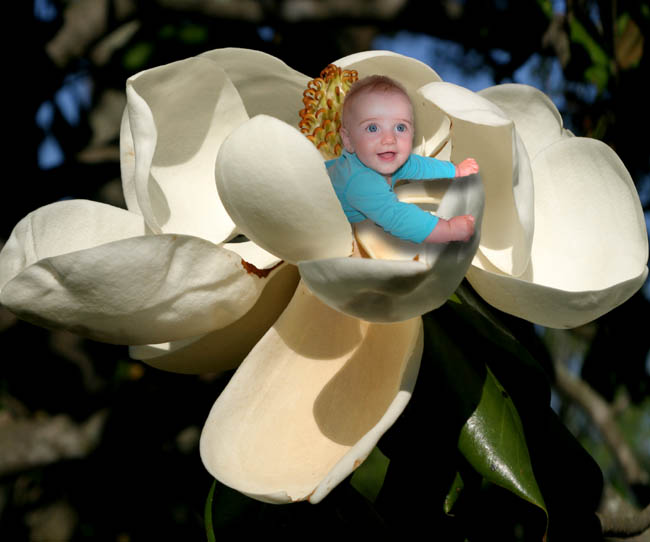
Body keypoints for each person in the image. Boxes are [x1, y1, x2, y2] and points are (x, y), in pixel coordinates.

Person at [326, 75, 479, 244]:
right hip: (316, 212)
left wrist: (455, 170)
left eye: (400, 127)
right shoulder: (361, 182)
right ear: (347, 140)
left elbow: (420, 166)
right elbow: (398, 218)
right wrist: (448, 230)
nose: (389, 139)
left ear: (412, 133)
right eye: (372, 128)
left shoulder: (387, 161)